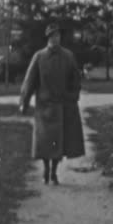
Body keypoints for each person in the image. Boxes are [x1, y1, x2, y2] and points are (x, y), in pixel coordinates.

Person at [19, 23, 85, 185]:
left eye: (58, 35)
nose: (56, 38)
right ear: (48, 38)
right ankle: (45, 170)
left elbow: (76, 80)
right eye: (53, 36)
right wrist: (24, 102)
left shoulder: (68, 56)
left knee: (58, 144)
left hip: (61, 107)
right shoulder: (39, 57)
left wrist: (72, 96)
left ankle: (54, 172)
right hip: (44, 108)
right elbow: (29, 81)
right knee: (44, 144)